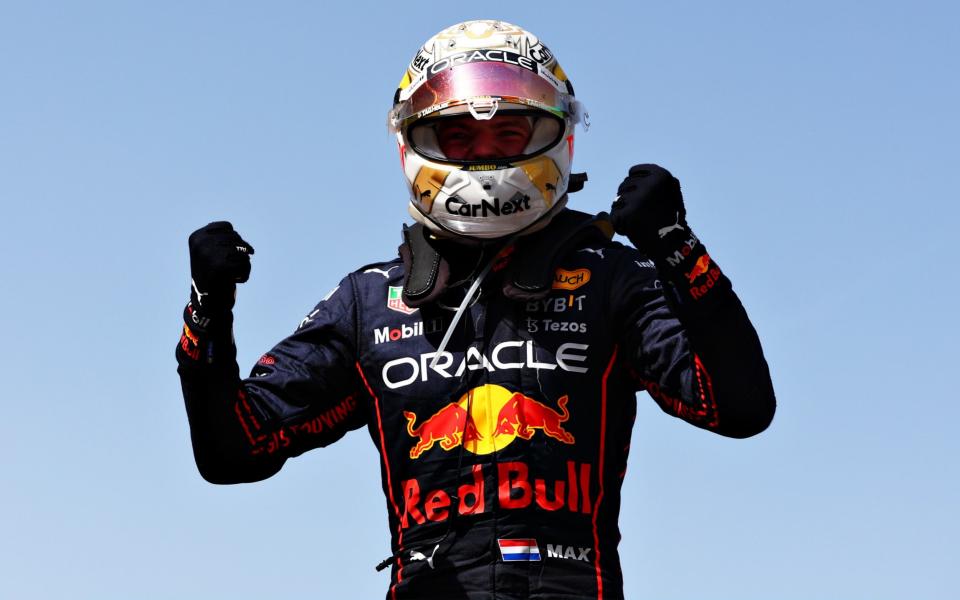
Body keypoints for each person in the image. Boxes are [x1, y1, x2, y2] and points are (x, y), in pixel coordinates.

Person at [176, 19, 776, 600]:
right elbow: (232, 451)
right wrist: (209, 311)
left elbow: (739, 407)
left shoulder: (611, 276)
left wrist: (677, 248)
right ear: (415, 144)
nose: (484, 154)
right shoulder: (367, 301)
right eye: (459, 137)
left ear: (559, 137)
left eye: (508, 135)